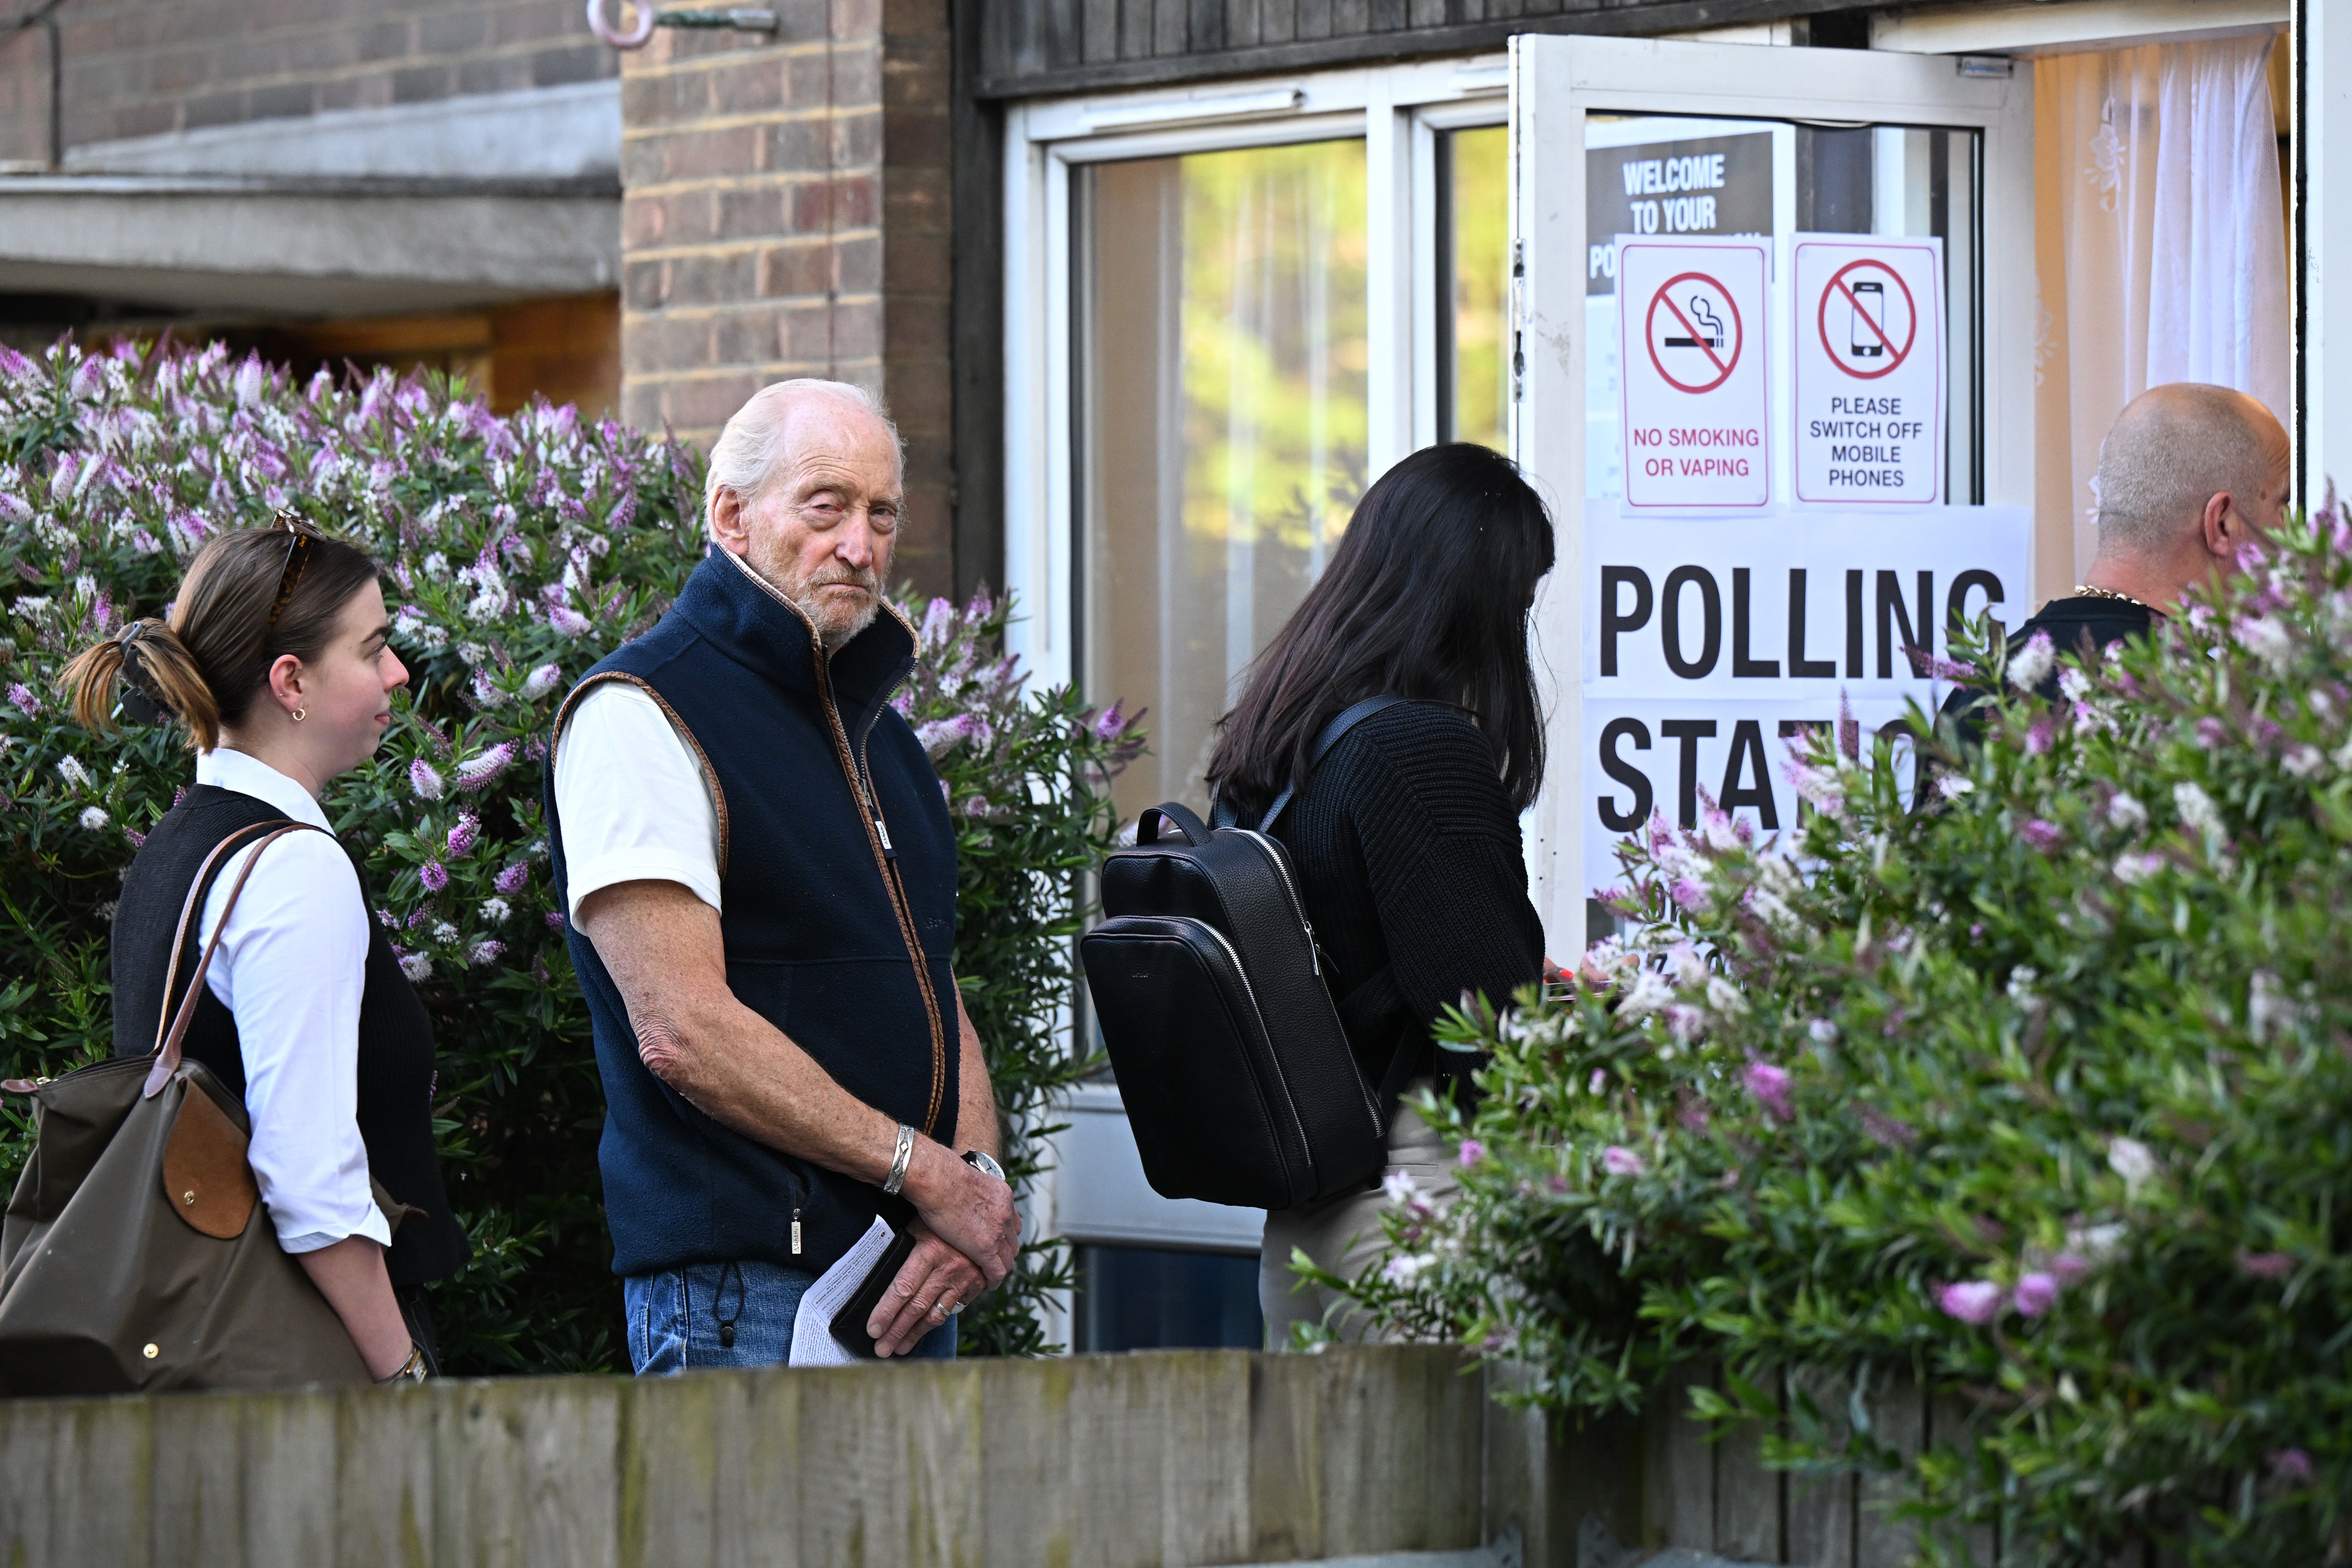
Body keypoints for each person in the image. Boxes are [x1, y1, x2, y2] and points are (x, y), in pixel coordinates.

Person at [548, 379, 1019, 1371]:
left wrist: (971, 1190)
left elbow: (939, 993)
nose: (861, 543)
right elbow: (682, 1032)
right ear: (732, 516)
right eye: (826, 505)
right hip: (746, 1290)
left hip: (909, 1279)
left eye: (882, 513)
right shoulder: (640, 712)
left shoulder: (887, 742)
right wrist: (925, 1172)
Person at [61, 516, 469, 1384]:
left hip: (203, 1332)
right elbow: (311, 1181)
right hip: (301, 1348)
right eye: (374, 649)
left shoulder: (182, 846)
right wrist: (405, 1380)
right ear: (292, 681)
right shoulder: (291, 869)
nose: (398, 673)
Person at [1205, 442, 1553, 1345]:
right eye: (1518, 597)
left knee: (1319, 1492)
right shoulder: (1419, 750)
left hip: (1304, 1223)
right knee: (1478, 1489)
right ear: (1471, 597)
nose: (1519, 626)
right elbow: (1486, 1023)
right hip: (1421, 1210)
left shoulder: (1280, 743)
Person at [1947, 383, 2290, 726]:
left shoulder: (1975, 697)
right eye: (2284, 506)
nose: (2296, 536)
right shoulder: (2213, 714)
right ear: (2223, 524)